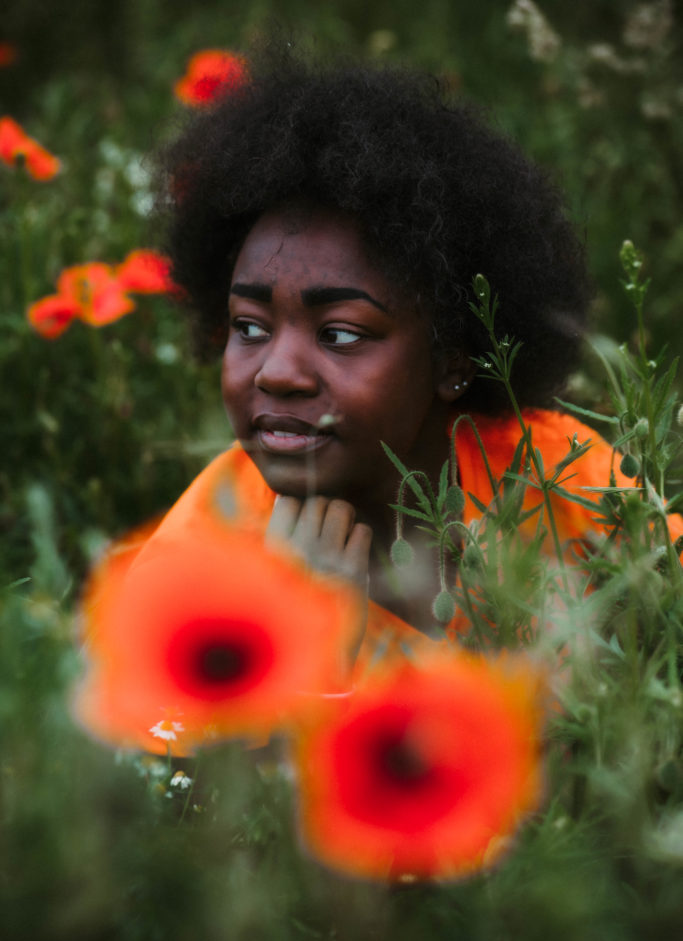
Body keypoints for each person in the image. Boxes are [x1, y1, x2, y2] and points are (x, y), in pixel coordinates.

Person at [145, 46, 654, 661]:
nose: (277, 373)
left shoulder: (558, 482)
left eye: (339, 334)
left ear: (454, 358)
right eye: (249, 327)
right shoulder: (194, 564)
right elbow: (169, 754)